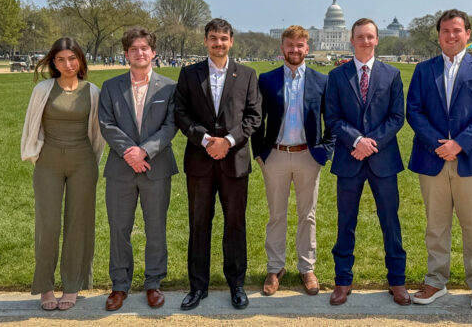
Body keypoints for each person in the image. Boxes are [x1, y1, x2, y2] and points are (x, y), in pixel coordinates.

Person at [405, 9, 472, 309]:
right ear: (438, 35)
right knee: (436, 224)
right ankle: (436, 280)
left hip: (471, 159)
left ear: (467, 34)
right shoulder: (423, 70)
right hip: (433, 158)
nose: (451, 36)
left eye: (457, 30)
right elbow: (414, 111)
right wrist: (440, 145)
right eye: (445, 31)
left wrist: (459, 144)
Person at [174, 18, 262, 311]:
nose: (218, 43)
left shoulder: (247, 75)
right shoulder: (189, 74)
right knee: (199, 224)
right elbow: (181, 113)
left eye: (223, 38)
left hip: (234, 161)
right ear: (205, 41)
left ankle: (236, 284)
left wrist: (228, 141)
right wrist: (204, 140)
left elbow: (253, 116)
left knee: (235, 224)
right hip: (200, 160)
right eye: (213, 38)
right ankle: (198, 286)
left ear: (231, 41)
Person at [325, 18, 410, 307]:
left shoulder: (392, 74)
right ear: (352, 39)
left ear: (377, 40)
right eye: (360, 36)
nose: (365, 41)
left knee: (390, 222)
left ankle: (397, 281)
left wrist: (370, 142)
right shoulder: (337, 77)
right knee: (345, 223)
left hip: (383, 160)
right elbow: (333, 118)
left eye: (370, 37)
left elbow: (397, 117)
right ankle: (342, 281)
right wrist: (356, 141)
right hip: (349, 160)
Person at [20, 37, 105, 311]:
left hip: (83, 161)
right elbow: (31, 126)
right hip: (48, 162)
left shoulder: (93, 91)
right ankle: (45, 286)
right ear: (53, 62)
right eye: (61, 59)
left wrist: (90, 161)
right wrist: (35, 154)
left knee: (78, 225)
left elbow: (97, 134)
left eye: (72, 58)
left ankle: (72, 286)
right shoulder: (43, 89)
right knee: (49, 226)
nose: (67, 64)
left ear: (80, 60)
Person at [251, 25, 335, 296]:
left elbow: (331, 119)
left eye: (300, 45)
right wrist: (260, 154)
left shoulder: (321, 81)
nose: (295, 50)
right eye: (290, 44)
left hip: (308, 156)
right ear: (282, 48)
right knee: (276, 215)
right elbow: (255, 120)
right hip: (275, 155)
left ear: (307, 49)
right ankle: (275, 268)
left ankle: (306, 267)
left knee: (306, 215)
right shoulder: (267, 79)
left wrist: (324, 152)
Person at [98, 28, 178, 311]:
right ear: (126, 54)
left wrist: (145, 150)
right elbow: (106, 124)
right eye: (134, 49)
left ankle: (153, 283)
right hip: (120, 170)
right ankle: (119, 285)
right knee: (119, 229)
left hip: (156, 168)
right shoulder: (110, 86)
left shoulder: (168, 87)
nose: (140, 53)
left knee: (156, 228)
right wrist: (130, 153)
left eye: (144, 48)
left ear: (153, 52)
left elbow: (171, 126)